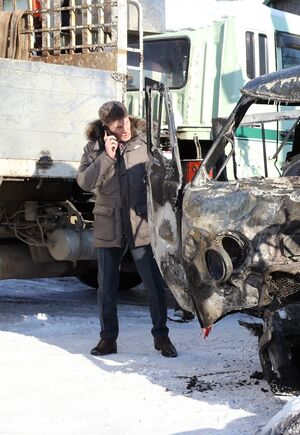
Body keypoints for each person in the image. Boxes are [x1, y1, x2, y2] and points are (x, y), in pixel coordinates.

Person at [76, 100, 177, 358]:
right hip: (109, 224)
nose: (124, 127)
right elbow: (85, 183)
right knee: (107, 287)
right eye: (118, 124)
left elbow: (163, 176)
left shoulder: (144, 144)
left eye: (126, 121)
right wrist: (105, 158)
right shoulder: (94, 149)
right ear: (106, 126)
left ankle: (161, 337)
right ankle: (107, 340)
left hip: (139, 221)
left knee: (153, 284)